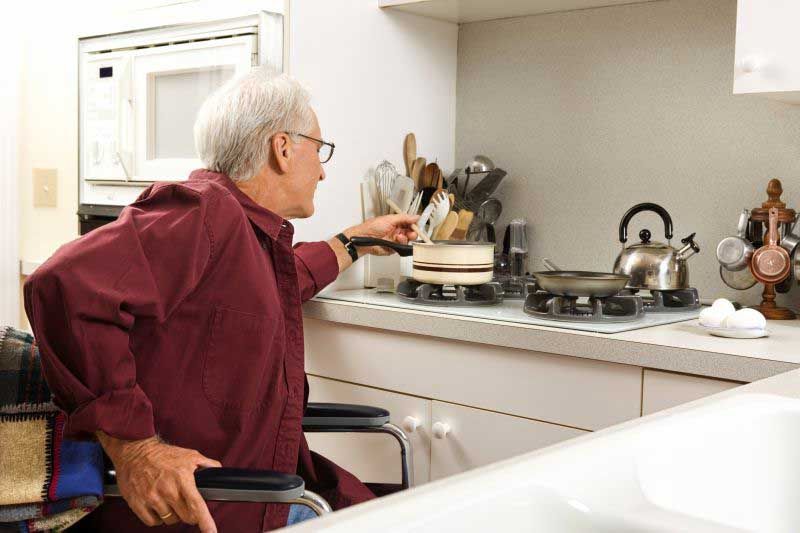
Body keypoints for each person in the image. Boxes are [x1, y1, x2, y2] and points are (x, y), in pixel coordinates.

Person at [23, 67, 418, 532]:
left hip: (266, 492)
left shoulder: (242, 234)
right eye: (319, 149)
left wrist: (355, 240)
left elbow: (277, 283)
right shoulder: (205, 211)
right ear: (282, 148)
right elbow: (62, 285)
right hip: (226, 509)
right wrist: (135, 448)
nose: (323, 169)